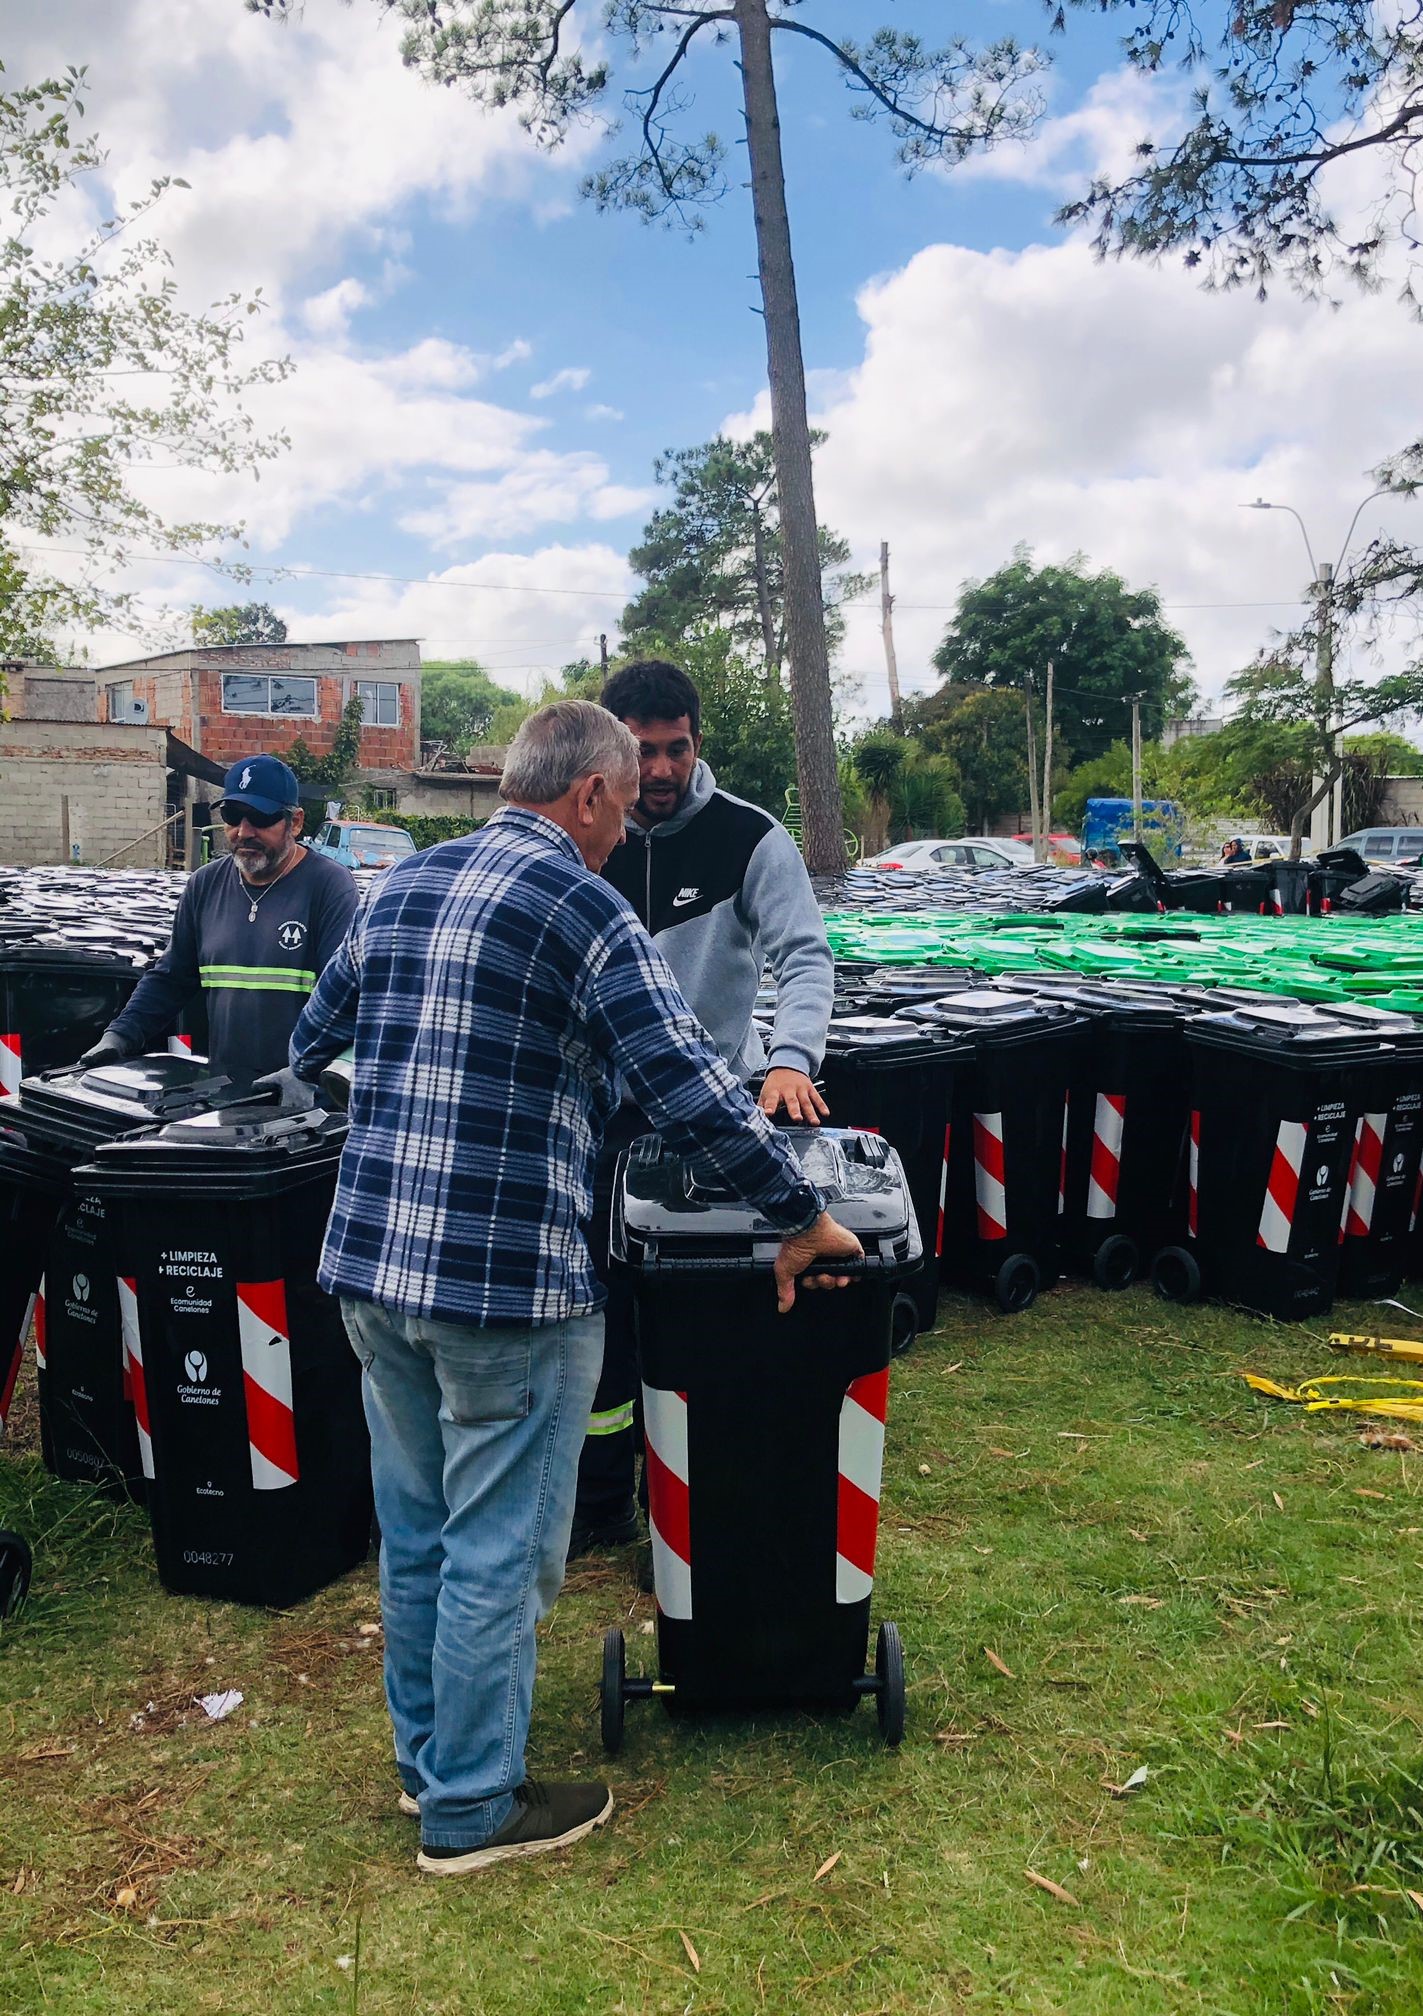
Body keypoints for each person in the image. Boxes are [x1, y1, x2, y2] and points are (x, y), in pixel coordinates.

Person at [287, 700, 861, 1876]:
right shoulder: (582, 903)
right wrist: (801, 1215)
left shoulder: (397, 886)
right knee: (500, 1544)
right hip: (505, 1290)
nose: (619, 833)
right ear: (590, 794)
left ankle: (426, 1765)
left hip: (372, 1270)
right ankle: (473, 1808)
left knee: (420, 1527)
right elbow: (694, 1091)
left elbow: (312, 1044)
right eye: (616, 805)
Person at [571, 657, 835, 1552]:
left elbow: (803, 957)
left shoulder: (749, 839)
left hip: (708, 1121)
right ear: (609, 755)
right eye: (641, 751)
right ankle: (602, 1503)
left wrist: (790, 1059)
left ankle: (695, 1499)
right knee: (598, 1317)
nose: (658, 770)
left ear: (695, 742)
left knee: (697, 1316)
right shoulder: (578, 838)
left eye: (674, 749)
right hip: (596, 1121)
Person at [80, 755, 357, 1086]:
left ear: (295, 822)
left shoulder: (329, 888)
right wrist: (120, 1036)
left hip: (303, 1100)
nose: (244, 832)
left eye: (259, 818)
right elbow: (171, 978)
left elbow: (347, 1001)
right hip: (227, 1092)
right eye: (232, 816)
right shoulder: (205, 885)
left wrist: (306, 1071)